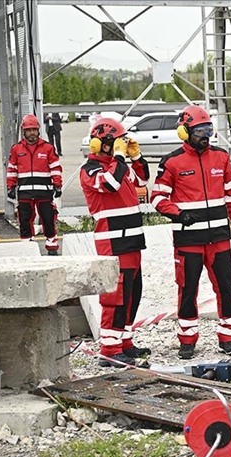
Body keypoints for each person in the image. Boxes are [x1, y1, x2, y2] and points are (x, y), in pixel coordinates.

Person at [151, 105, 231, 359]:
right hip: (188, 240)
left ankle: (228, 338)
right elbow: (157, 198)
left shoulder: (222, 157)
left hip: (219, 238)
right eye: (200, 130)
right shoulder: (171, 162)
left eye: (209, 129)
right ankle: (187, 340)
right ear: (184, 132)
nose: (206, 135)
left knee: (225, 287)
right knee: (187, 289)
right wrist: (179, 214)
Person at [79, 117, 152, 367]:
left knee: (133, 293)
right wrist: (120, 159)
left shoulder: (117, 165)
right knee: (116, 297)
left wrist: (135, 157)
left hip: (131, 240)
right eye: (114, 142)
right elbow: (110, 185)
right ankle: (109, 350)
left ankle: (125, 342)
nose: (117, 146)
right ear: (100, 143)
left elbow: (142, 180)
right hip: (112, 242)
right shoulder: (91, 169)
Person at [6, 114, 62, 255]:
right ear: (23, 131)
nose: (32, 133)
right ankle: (27, 247)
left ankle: (52, 247)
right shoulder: (16, 149)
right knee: (24, 220)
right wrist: (11, 187)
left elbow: (55, 167)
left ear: (38, 130)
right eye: (29, 130)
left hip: (44, 192)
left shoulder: (48, 148)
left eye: (34, 130)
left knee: (48, 219)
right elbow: (12, 169)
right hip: (24, 193)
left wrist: (57, 185)